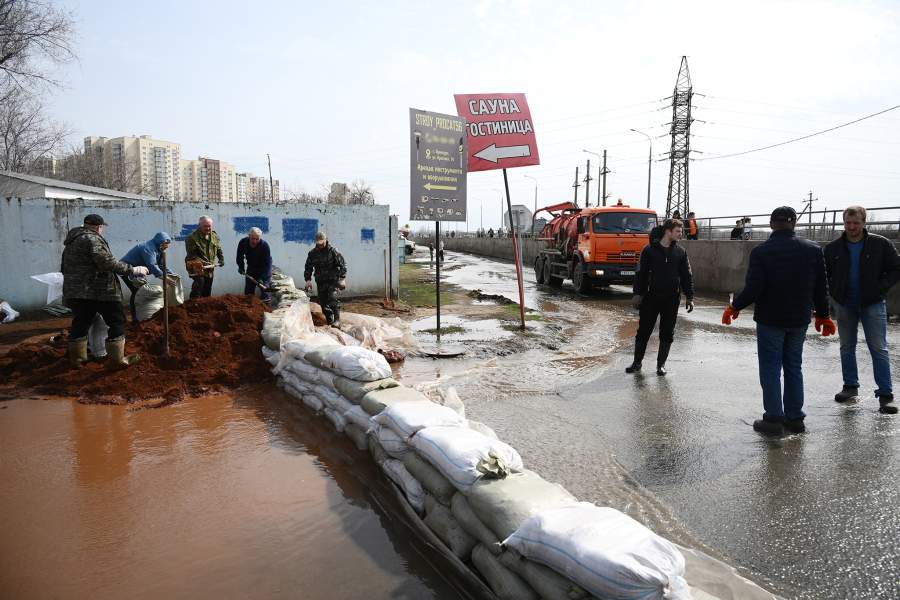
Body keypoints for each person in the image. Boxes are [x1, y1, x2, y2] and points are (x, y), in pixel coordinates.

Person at [722, 206, 836, 435]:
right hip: (799, 319)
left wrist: (735, 306)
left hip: (770, 320)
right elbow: (820, 288)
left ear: (772, 224)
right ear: (794, 223)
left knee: (771, 368)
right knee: (794, 367)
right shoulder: (813, 250)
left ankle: (773, 419)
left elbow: (754, 288)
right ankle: (795, 419)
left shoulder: (762, 251)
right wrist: (824, 315)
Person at [824, 205, 900, 414]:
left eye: (856, 223)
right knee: (846, 346)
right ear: (844, 223)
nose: (852, 227)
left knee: (878, 348)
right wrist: (833, 295)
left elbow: (896, 268)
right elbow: (825, 275)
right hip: (844, 304)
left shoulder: (880, 244)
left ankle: (885, 395)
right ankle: (850, 387)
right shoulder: (833, 248)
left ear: (864, 223)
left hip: (872, 303)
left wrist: (880, 288)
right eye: (848, 223)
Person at [61, 214, 149, 367]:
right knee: (116, 321)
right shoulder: (92, 239)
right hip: (100, 290)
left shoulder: (71, 241)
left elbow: (64, 267)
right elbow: (106, 262)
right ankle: (117, 360)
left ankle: (77, 360)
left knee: (81, 322)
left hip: (76, 291)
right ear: (98, 227)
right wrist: (133, 270)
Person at [626, 218, 694, 376]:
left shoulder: (681, 252)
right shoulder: (648, 250)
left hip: (671, 299)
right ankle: (637, 363)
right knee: (644, 331)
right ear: (668, 231)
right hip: (651, 297)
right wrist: (637, 294)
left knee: (667, 332)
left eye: (681, 232)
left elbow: (686, 276)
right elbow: (640, 273)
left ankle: (661, 365)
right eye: (678, 231)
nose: (680, 235)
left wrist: (690, 297)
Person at [120, 232, 173, 321]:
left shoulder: (158, 250)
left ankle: (141, 315)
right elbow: (152, 265)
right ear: (159, 242)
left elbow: (161, 265)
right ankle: (135, 317)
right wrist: (164, 278)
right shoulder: (148, 248)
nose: (167, 246)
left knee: (139, 291)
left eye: (168, 244)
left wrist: (172, 274)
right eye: (165, 244)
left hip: (139, 272)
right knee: (137, 291)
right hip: (128, 270)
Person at [304, 231, 347, 326]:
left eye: (322, 243)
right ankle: (329, 321)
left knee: (332, 299)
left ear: (326, 240)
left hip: (333, 281)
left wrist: (342, 278)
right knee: (323, 304)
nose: (320, 245)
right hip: (321, 281)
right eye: (318, 243)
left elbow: (343, 265)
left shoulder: (333, 252)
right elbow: (308, 267)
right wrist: (308, 280)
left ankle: (337, 321)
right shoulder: (312, 253)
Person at [185, 216, 224, 299]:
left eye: (209, 226)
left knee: (207, 290)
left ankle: (205, 309)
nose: (208, 228)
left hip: (209, 269)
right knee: (199, 286)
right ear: (199, 225)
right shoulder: (191, 238)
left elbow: (218, 248)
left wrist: (221, 259)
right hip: (196, 267)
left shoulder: (214, 236)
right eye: (205, 226)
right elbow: (192, 255)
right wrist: (204, 262)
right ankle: (193, 305)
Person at [236, 227, 272, 302]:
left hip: (263, 268)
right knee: (249, 290)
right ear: (249, 236)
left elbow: (267, 264)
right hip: (251, 266)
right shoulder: (243, 243)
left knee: (265, 287)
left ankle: (266, 303)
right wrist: (241, 267)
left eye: (257, 239)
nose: (254, 241)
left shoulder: (264, 246)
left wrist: (262, 277)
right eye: (252, 238)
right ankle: (249, 307)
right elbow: (239, 256)